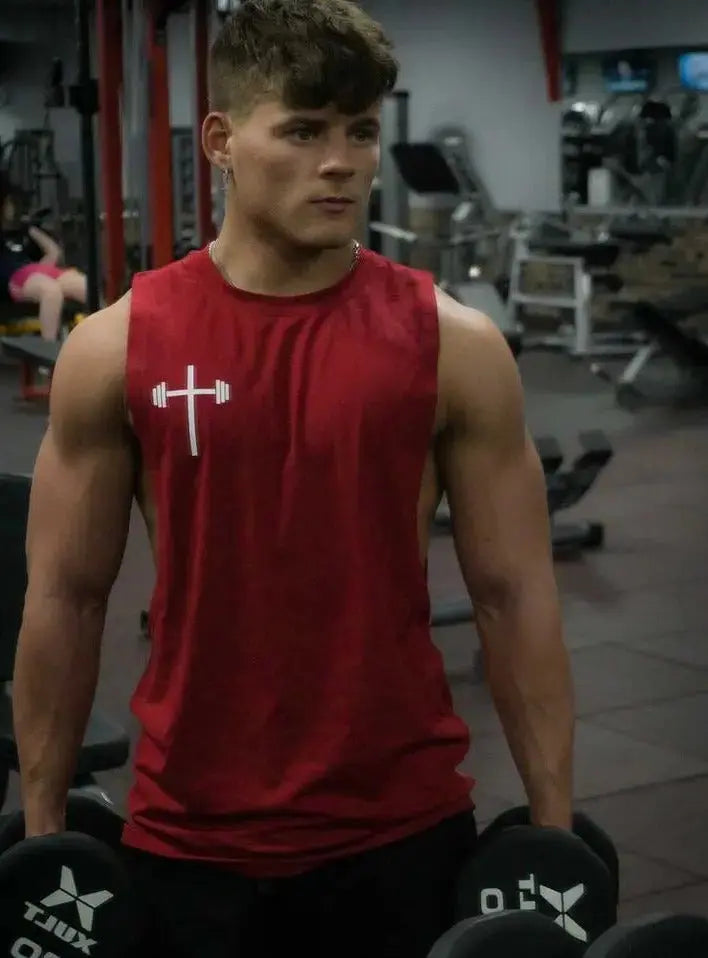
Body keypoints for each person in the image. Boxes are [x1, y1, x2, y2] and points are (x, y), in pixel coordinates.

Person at [12, 2, 575, 956]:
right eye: (305, 130)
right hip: (188, 834)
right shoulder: (116, 348)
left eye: (360, 130)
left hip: (402, 829)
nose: (342, 162)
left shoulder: (454, 345)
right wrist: (42, 836)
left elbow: (513, 594)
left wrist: (555, 833)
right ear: (222, 141)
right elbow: (67, 598)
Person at [0, 177, 87, 341]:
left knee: (88, 287)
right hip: (17, 277)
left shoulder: (25, 234)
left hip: (40, 271)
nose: (12, 207)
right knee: (51, 291)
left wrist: (31, 228)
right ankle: (49, 351)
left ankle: (111, 340)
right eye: (9, 202)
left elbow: (53, 253)